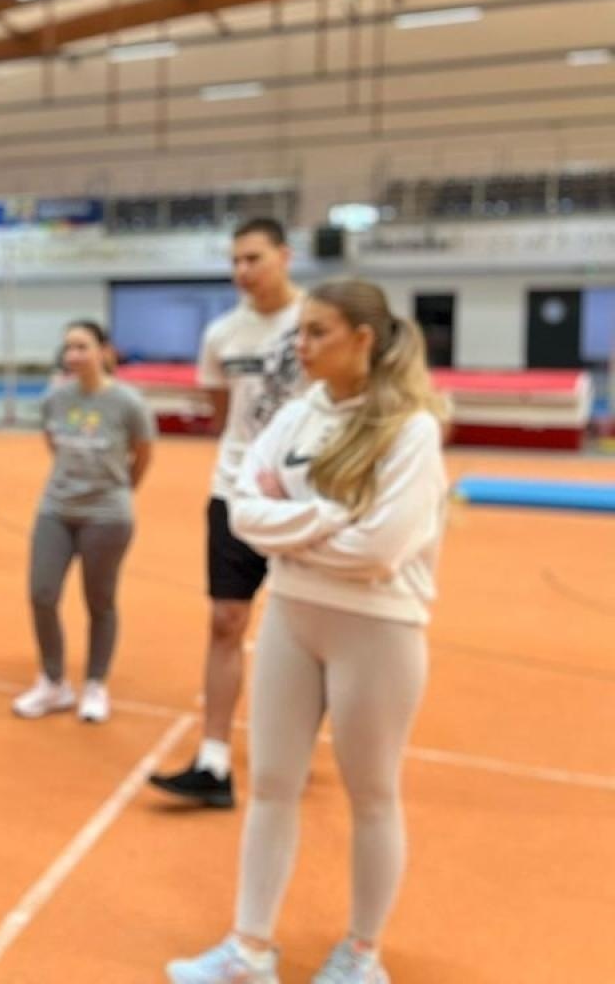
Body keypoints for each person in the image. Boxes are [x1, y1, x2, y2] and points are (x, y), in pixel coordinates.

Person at [167, 279, 449, 984]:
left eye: (317, 333)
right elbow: (241, 512)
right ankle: (249, 949)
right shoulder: (295, 416)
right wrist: (328, 520)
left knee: (373, 793)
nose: (302, 346)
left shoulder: (410, 429)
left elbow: (381, 549)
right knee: (270, 785)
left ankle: (361, 953)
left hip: (377, 629)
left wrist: (292, 531)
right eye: (301, 333)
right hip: (294, 615)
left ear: (363, 339)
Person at [151, 217, 306, 808]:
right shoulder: (221, 334)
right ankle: (213, 759)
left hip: (306, 499)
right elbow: (222, 413)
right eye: (235, 261)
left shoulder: (317, 322)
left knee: (306, 631)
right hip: (236, 491)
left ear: (284, 257)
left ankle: (294, 745)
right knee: (225, 622)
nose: (243, 271)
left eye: (254, 258)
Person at [13, 321, 153, 724]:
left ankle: (95, 683)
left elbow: (142, 454)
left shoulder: (127, 403)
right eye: (68, 348)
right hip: (56, 510)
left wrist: (120, 492)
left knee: (100, 601)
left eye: (82, 346)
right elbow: (53, 446)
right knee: (42, 593)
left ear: (104, 351)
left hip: (106, 516)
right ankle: (54, 682)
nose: (73, 355)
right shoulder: (55, 398)